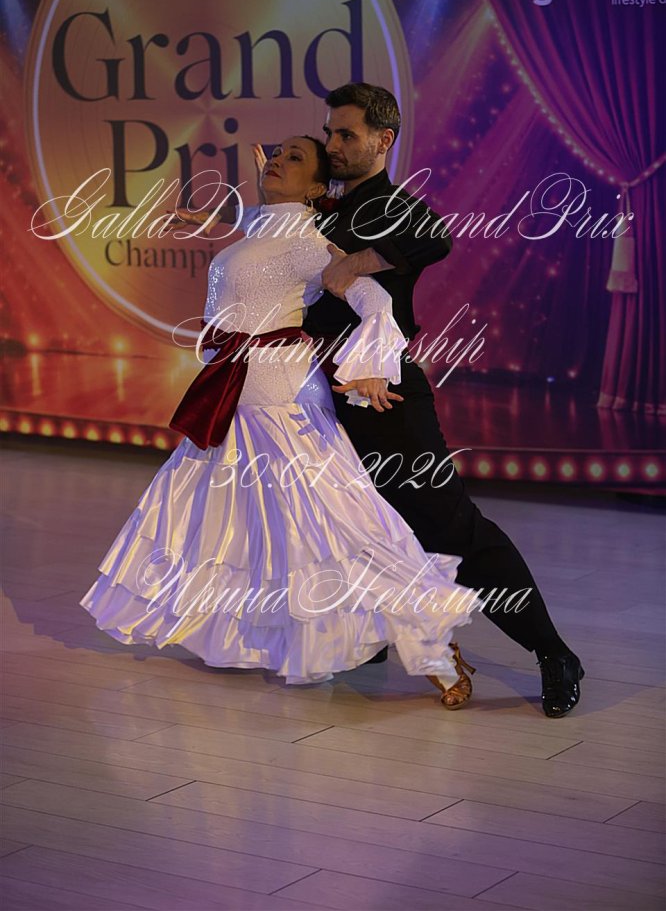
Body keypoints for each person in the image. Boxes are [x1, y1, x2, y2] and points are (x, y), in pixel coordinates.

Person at [79, 135, 476, 707]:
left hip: (281, 399)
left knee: (336, 527)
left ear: (316, 187)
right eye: (277, 155)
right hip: (234, 394)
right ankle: (259, 636)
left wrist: (371, 364)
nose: (278, 163)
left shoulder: (309, 244)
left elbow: (373, 299)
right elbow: (256, 231)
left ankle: (433, 640)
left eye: (295, 159)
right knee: (239, 526)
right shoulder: (263, 227)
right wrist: (215, 217)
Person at [301, 83, 584, 719]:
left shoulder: (390, 206)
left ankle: (553, 652)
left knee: (451, 527)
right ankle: (373, 639)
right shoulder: (325, 208)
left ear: (383, 140)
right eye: (329, 133)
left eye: (346, 134)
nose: (333, 145)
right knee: (357, 524)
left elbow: (436, 236)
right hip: (324, 399)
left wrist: (359, 262)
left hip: (385, 398)